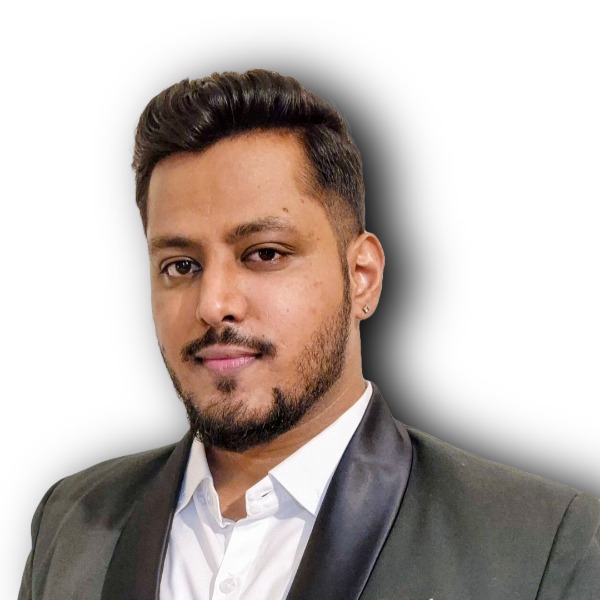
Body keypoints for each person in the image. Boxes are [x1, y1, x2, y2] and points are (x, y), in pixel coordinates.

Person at [19, 69, 599, 600]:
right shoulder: (71, 522)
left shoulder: (542, 545)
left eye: (265, 253)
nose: (213, 304)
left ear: (362, 276)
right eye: (181, 265)